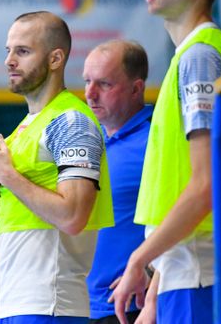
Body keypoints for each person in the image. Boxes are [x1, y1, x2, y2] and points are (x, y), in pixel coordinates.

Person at [109, 0, 221, 323]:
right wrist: (159, 283)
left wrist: (139, 260)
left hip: (202, 279)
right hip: (187, 276)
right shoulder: (192, 55)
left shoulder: (201, 57)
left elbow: (205, 188)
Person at [0, 11, 114, 324]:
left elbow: (73, 216)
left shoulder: (71, 121)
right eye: (8, 51)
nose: (10, 60)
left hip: (50, 305)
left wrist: (7, 175)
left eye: (22, 51)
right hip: (16, 302)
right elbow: (17, 219)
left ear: (55, 59)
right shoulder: (23, 128)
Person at [82, 40, 153, 324]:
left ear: (136, 88)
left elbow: (191, 212)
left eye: (105, 84)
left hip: (129, 308)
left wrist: (151, 271)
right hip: (76, 306)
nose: (90, 93)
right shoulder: (85, 140)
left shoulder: (157, 142)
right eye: (87, 81)